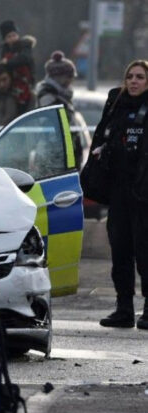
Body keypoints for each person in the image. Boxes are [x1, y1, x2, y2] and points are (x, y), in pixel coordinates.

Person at [90, 60, 148, 329]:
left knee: (145, 252)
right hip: (119, 191)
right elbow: (102, 137)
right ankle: (123, 307)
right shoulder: (116, 107)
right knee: (121, 250)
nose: (134, 81)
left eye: (140, 77)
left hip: (144, 193)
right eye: (130, 77)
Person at [36, 50, 85, 167]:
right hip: (55, 155)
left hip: (65, 152)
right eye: (69, 77)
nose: (71, 81)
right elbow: (54, 126)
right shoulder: (47, 97)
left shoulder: (62, 95)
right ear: (59, 77)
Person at [0, 20, 36, 109]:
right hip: (10, 87)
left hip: (26, 86)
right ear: (5, 39)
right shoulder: (4, 51)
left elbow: (24, 58)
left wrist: (8, 62)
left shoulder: (25, 46)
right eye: (9, 36)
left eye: (14, 35)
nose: (13, 38)